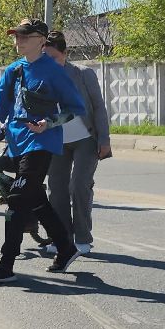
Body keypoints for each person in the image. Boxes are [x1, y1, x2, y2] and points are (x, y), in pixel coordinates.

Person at [0, 18, 89, 283]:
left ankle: (6, 265)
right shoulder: (14, 70)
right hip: (16, 143)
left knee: (18, 199)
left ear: (41, 41)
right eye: (16, 36)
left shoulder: (53, 71)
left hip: (42, 143)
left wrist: (49, 123)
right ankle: (66, 247)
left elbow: (76, 108)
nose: (18, 40)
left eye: (24, 36)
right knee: (36, 199)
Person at [43, 31, 112, 256]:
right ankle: (62, 239)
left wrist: (104, 139)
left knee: (79, 186)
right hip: (56, 141)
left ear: (64, 53)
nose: (49, 62)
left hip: (85, 139)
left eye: (53, 57)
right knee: (56, 190)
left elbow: (98, 107)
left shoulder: (83, 74)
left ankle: (83, 238)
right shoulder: (40, 76)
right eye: (45, 58)